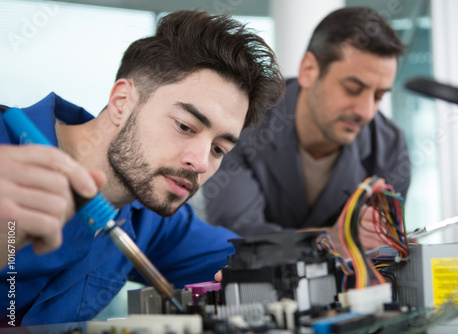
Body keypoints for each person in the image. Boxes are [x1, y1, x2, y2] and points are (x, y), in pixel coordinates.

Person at [0, 10, 284, 327]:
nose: (201, 163)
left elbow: (258, 261)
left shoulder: (151, 219)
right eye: (185, 127)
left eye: (219, 149)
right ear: (122, 102)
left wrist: (342, 245)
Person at [204, 6, 411, 252]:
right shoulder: (242, 122)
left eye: (378, 96)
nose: (366, 112)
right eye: (352, 89)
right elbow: (237, 238)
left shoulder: (390, 146)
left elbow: (379, 248)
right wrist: (333, 240)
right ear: (309, 71)